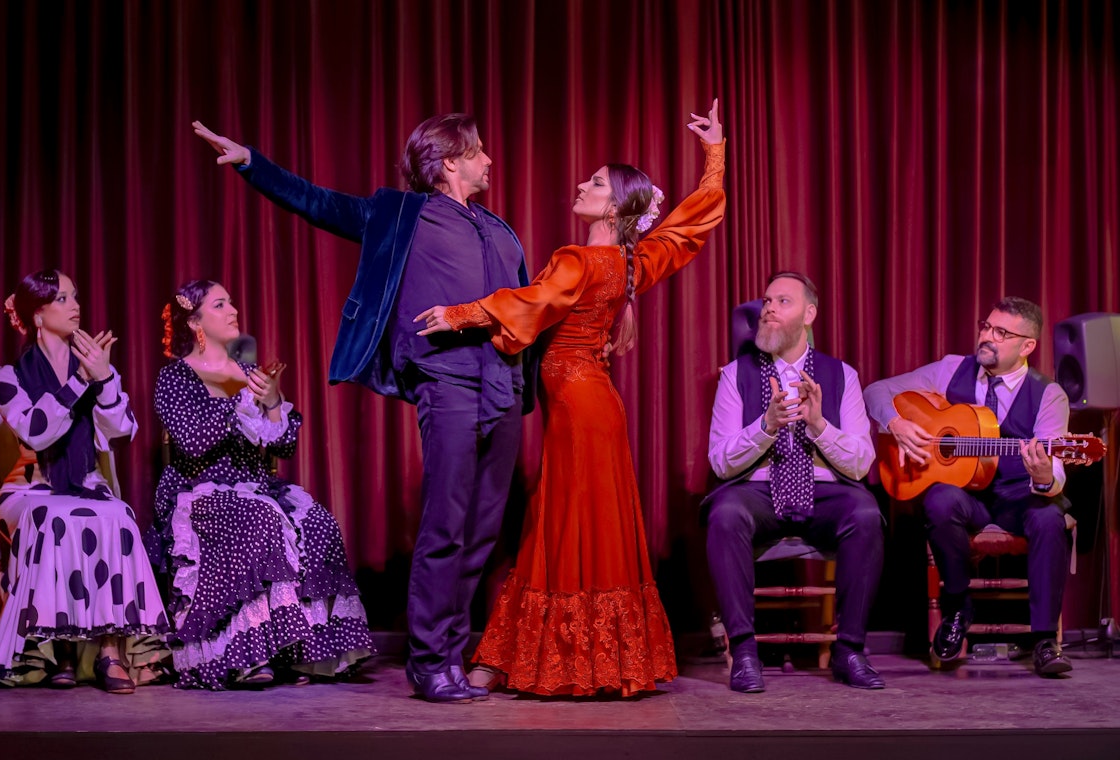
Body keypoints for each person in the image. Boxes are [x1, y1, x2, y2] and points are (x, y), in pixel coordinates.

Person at [192, 114, 533, 703]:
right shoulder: (401, 214)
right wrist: (254, 163)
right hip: (446, 380)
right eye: (479, 152)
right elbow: (319, 203)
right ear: (449, 161)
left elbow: (532, 303)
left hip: (503, 388)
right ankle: (429, 662)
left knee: (482, 532)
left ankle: (452, 653)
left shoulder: (499, 228)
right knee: (446, 525)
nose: (490, 161)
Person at [416, 99, 727, 697]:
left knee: (564, 522)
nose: (582, 185)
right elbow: (692, 227)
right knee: (572, 521)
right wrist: (714, 155)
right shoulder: (633, 262)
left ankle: (534, 660)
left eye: (597, 183)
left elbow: (530, 303)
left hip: (579, 406)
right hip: (595, 404)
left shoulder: (579, 260)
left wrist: (460, 313)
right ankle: (556, 657)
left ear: (616, 205)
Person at [0, 269, 171, 693]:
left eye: (75, 296)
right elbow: (36, 431)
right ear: (38, 314)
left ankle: (108, 649)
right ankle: (58, 650)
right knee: (53, 517)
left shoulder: (92, 366)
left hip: (83, 482)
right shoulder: (10, 378)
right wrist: (79, 383)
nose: (76, 306)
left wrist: (103, 378)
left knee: (120, 516)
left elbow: (122, 429)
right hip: (29, 490)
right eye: (64, 298)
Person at [149, 279, 375, 690]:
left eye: (232, 301)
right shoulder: (176, 378)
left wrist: (271, 401)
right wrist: (237, 402)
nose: (234, 310)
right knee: (258, 521)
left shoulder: (249, 371)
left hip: (258, 488)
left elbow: (284, 444)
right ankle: (245, 653)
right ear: (196, 321)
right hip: (200, 490)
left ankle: (304, 650)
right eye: (220, 304)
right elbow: (193, 442)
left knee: (318, 523)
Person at [862, 296, 1074, 676]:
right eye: (986, 327)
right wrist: (895, 423)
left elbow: (1055, 471)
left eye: (1001, 332)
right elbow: (876, 391)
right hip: (968, 496)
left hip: (1018, 497)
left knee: (1049, 519)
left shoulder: (1049, 396)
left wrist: (1043, 476)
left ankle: (1044, 639)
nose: (986, 337)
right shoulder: (950, 370)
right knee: (939, 500)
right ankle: (958, 607)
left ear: (1028, 346)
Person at [702, 271, 884, 693]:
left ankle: (850, 651)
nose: (768, 308)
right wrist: (764, 427)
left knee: (867, 512)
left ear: (809, 314)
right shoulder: (735, 375)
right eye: (766, 301)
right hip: (758, 491)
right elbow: (720, 461)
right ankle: (745, 653)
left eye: (782, 301)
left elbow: (860, 464)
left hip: (825, 490)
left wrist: (820, 426)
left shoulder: (843, 376)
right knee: (725, 513)